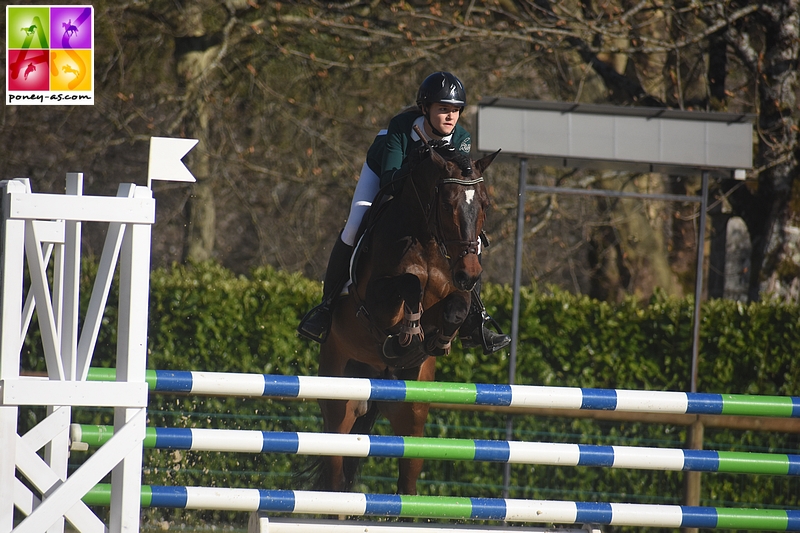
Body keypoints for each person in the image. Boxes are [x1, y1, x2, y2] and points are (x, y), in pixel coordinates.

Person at [297, 71, 510, 354]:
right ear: (425, 109)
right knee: (355, 222)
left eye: (455, 110)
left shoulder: (461, 138)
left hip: (429, 198)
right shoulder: (400, 127)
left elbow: (457, 185)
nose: (450, 117)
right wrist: (418, 160)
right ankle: (326, 307)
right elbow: (390, 183)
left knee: (475, 242)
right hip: (385, 174)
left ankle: (476, 320)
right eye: (443, 109)